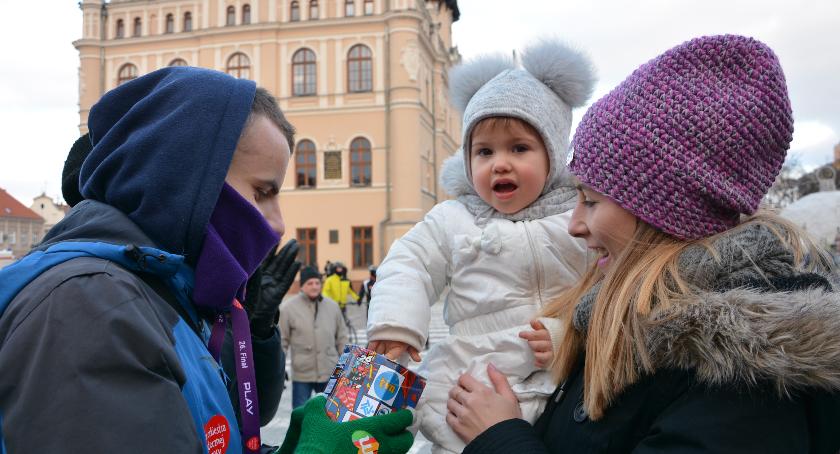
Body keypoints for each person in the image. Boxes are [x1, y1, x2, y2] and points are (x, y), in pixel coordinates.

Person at [448, 35, 840, 453]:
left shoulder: (746, 373)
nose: (574, 225)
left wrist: (499, 438)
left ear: (667, 212)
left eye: (591, 201)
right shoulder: (633, 314)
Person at [0, 67, 295, 453]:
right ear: (189, 177)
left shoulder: (157, 293)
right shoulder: (92, 306)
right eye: (261, 192)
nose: (278, 224)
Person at [366, 38, 595, 453]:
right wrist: (397, 324)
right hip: (470, 377)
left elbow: (611, 289)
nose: (499, 163)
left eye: (519, 148)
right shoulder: (454, 218)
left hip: (559, 382)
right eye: (484, 151)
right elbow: (409, 262)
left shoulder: (577, 216)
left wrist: (572, 334)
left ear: (554, 153)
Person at [59, 132, 302, 428]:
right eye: (260, 192)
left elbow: (249, 415)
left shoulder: (185, 280)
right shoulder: (94, 293)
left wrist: (256, 330)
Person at [279, 266, 348, 409]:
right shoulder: (288, 308)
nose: (314, 286)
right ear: (302, 286)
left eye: (317, 283)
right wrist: (279, 367)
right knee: (300, 414)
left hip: (329, 370)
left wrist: (347, 364)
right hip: (302, 373)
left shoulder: (333, 307)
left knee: (330, 414)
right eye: (310, 283)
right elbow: (282, 341)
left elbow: (342, 337)